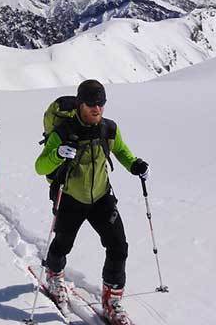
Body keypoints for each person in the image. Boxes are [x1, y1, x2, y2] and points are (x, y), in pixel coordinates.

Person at [34, 79, 149, 325]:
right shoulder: (63, 132)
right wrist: (57, 153)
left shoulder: (109, 129)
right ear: (79, 104)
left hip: (101, 197)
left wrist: (135, 164)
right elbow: (40, 166)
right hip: (71, 197)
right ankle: (54, 275)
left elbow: (121, 151)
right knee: (62, 244)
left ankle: (112, 300)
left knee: (118, 246)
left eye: (101, 103)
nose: (97, 108)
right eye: (91, 103)